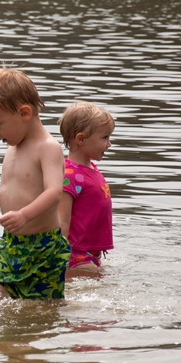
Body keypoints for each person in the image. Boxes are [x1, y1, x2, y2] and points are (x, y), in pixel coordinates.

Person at [0, 67, 70, 299]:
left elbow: (54, 192)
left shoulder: (47, 147)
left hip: (43, 248)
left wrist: (24, 215)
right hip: (10, 244)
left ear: (24, 113)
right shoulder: (12, 146)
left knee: (42, 311)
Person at [58, 101, 115, 277]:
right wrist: (57, 257)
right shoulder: (69, 176)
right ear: (81, 139)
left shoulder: (91, 168)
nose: (109, 144)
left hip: (90, 253)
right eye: (104, 137)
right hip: (74, 255)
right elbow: (62, 220)